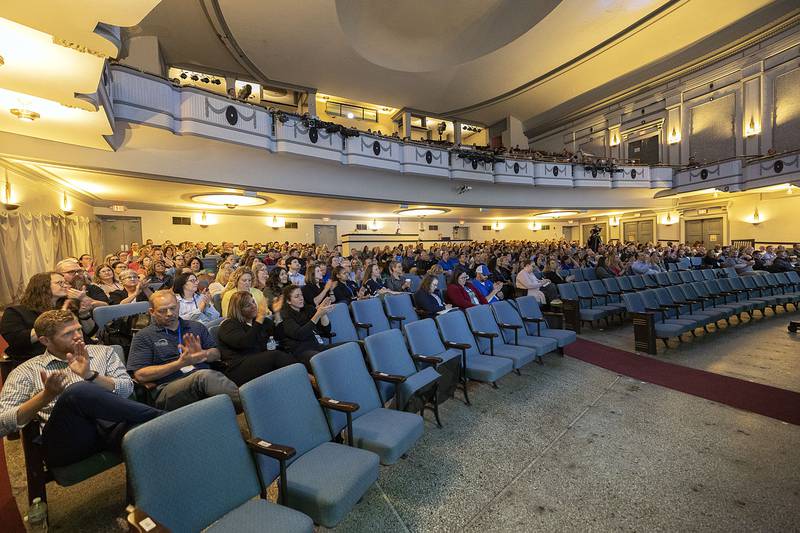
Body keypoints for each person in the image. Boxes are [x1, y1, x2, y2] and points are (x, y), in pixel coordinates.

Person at [0, 310, 162, 468]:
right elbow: (3, 424)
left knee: (147, 436)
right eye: (68, 334)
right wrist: (46, 396)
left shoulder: (103, 352)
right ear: (45, 341)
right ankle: (163, 418)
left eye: (78, 329)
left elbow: (127, 389)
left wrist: (91, 375)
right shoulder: (27, 371)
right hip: (68, 442)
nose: (78, 335)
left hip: (111, 429)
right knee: (78, 391)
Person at [127, 290, 240, 411]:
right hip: (167, 387)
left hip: (203, 377)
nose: (169, 313)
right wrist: (179, 364)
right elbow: (140, 375)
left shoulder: (196, 327)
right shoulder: (144, 336)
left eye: (173, 308)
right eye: (162, 310)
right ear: (152, 312)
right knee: (204, 377)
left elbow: (216, 353)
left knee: (207, 377)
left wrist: (204, 354)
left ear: (179, 306)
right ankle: (248, 407)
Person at [0, 272, 97, 361]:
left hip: (75, 354)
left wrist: (84, 314)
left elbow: (90, 332)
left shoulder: (68, 305)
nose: (66, 286)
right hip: (37, 359)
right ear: (43, 286)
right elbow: (17, 341)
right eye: (60, 283)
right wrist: (56, 319)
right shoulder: (15, 312)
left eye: (65, 283)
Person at [216, 291, 297, 386]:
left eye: (253, 302)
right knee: (275, 356)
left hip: (260, 360)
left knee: (287, 351)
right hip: (238, 367)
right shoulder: (228, 325)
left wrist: (277, 314)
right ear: (238, 310)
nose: (253, 306)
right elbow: (245, 343)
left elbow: (280, 337)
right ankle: (310, 380)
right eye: (248, 305)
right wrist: (260, 318)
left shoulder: (261, 321)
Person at [279, 285, 333, 369]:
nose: (301, 298)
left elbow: (327, 330)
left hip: (317, 346)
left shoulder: (309, 309)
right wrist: (317, 315)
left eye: (301, 295)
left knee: (353, 346)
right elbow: (300, 334)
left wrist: (323, 313)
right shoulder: (285, 315)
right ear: (288, 301)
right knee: (324, 360)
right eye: (297, 296)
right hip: (302, 351)